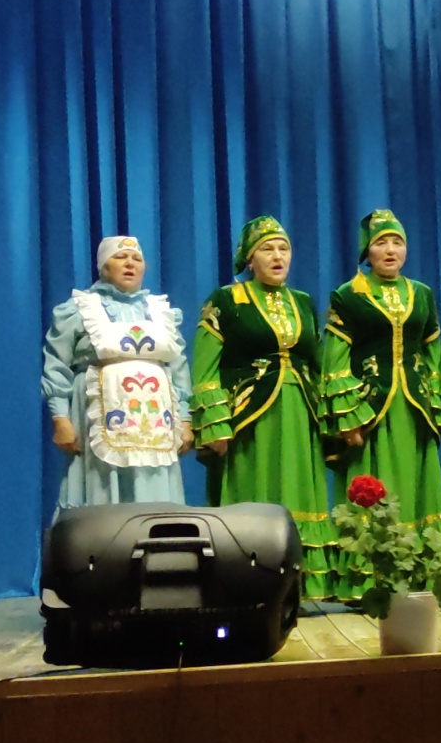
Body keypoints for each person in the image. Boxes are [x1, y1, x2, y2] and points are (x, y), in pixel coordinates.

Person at [191, 216, 337, 599]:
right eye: (267, 249)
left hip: (300, 410)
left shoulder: (302, 302)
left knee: (299, 492)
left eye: (283, 249)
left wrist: (330, 417)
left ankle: (300, 584)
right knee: (253, 491)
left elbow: (318, 362)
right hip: (249, 418)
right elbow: (205, 367)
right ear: (250, 259)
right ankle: (246, 581)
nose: (277, 256)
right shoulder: (226, 300)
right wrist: (214, 423)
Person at [321, 210, 441, 600]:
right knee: (373, 490)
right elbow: (335, 358)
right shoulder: (348, 295)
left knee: (416, 488)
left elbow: (433, 354)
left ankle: (419, 576)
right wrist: (346, 415)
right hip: (369, 410)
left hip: (414, 408)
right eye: (381, 243)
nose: (390, 250)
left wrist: (438, 403)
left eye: (397, 242)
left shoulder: (421, 294)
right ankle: (370, 584)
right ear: (367, 252)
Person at [41, 235, 192, 512]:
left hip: (156, 420)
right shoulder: (80, 309)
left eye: (137, 259)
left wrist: (184, 419)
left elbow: (178, 368)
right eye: (121, 257)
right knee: (101, 493)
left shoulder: (161, 312)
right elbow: (57, 365)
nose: (130, 263)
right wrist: (60, 418)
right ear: (104, 266)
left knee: (155, 496)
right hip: (96, 416)